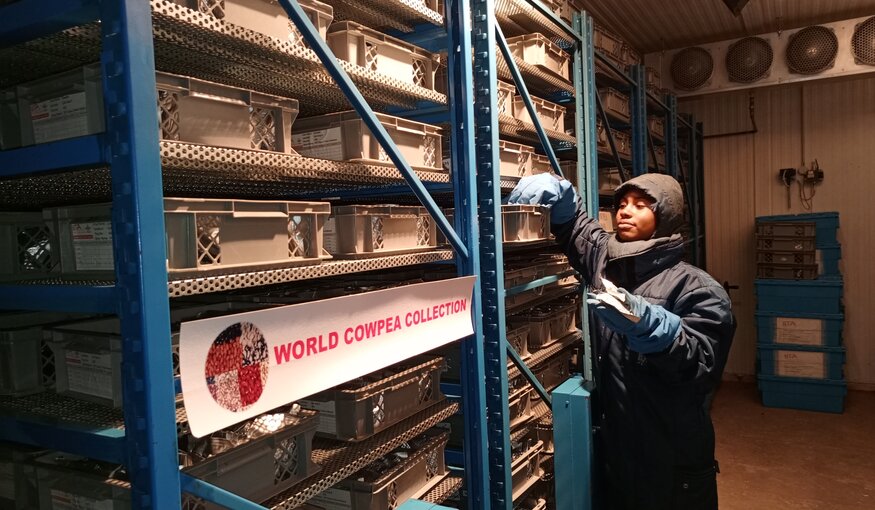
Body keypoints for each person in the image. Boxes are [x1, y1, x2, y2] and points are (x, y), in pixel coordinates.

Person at [507, 172, 735, 510]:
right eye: (622, 204)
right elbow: (577, 229)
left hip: (671, 455)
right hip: (619, 447)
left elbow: (702, 365)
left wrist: (658, 330)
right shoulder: (607, 261)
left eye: (641, 205)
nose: (625, 212)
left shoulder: (698, 288)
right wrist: (560, 194)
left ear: (665, 217)